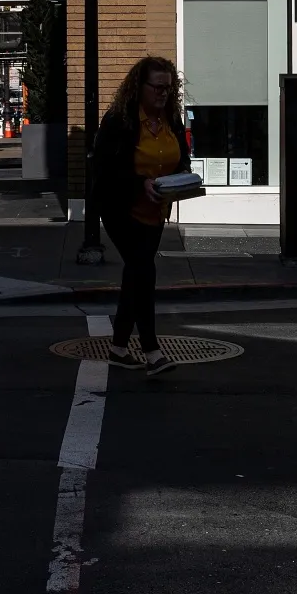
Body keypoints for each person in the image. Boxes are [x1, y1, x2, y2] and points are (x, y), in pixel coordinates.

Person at [88, 55, 191, 376]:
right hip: (121, 208)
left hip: (156, 208)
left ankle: (119, 347)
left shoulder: (171, 118)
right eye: (157, 87)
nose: (163, 94)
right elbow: (103, 172)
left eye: (168, 89)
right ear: (140, 87)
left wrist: (183, 179)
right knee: (143, 271)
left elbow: (182, 158)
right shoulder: (120, 120)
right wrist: (139, 183)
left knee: (136, 274)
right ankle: (152, 350)